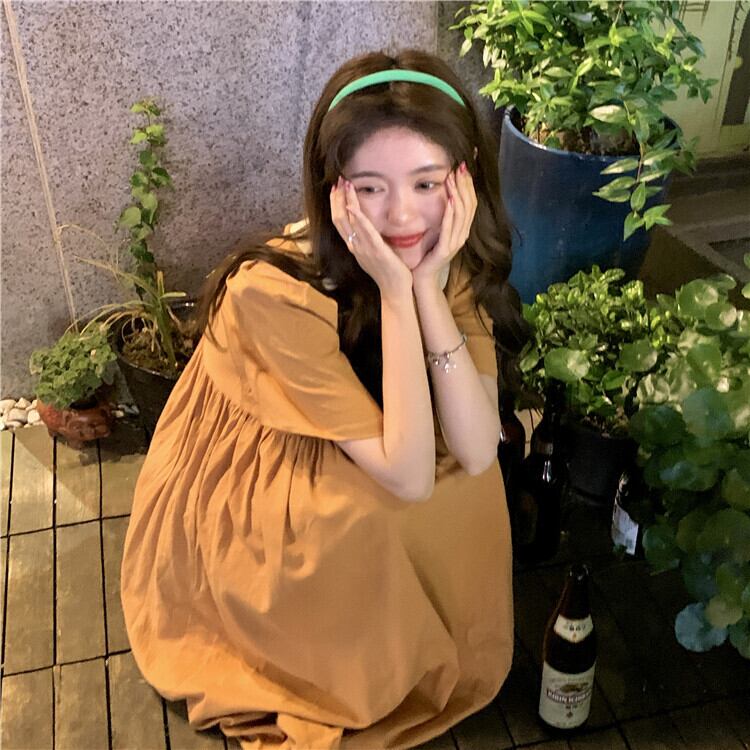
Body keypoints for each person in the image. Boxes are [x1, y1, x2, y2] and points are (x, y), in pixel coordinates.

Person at [120, 48, 528, 749]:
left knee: (465, 484)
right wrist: (398, 292)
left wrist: (425, 288)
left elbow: (476, 446)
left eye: (427, 182)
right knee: (366, 518)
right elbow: (406, 477)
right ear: (333, 187)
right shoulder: (272, 292)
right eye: (370, 187)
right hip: (277, 455)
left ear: (464, 181)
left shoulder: (442, 251)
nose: (402, 214)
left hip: (376, 420)